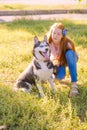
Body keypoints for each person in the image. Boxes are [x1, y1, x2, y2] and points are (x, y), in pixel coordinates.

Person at [47, 22, 79, 97]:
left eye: (59, 34)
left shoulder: (67, 43)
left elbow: (72, 56)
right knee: (59, 77)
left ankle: (74, 84)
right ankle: (52, 76)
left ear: (62, 36)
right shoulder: (48, 43)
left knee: (69, 54)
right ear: (51, 32)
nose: (55, 36)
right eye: (54, 33)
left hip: (70, 59)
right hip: (59, 61)